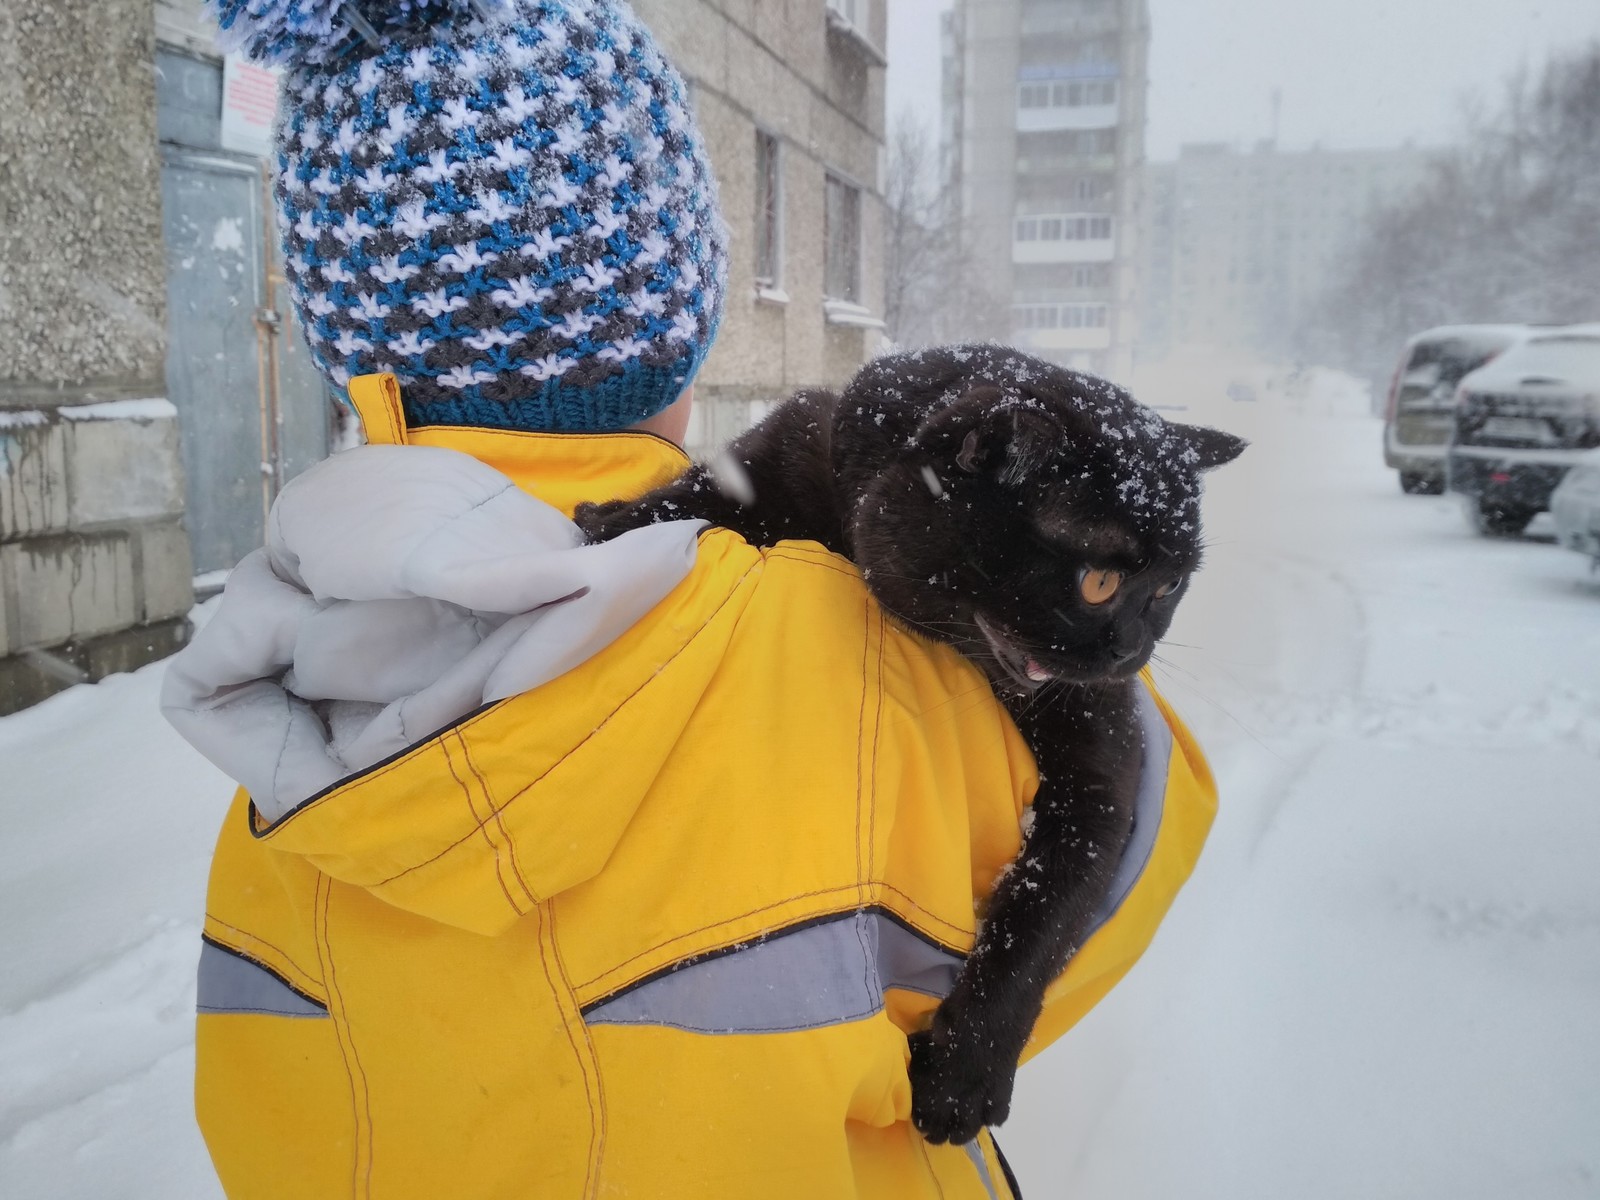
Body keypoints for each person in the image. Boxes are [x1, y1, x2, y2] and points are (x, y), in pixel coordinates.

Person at [163, 2, 1218, 1196]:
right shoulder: (838, 660)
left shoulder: (280, 705)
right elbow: (1124, 849)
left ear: (349, 338)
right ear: (673, 315)